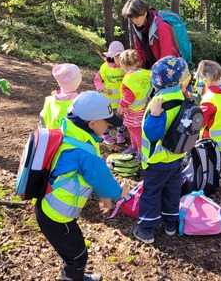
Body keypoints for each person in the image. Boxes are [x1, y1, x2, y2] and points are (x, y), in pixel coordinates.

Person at [35, 91, 129, 281]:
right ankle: (73, 278)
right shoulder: (85, 154)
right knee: (77, 256)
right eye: (106, 121)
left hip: (47, 203)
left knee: (71, 251)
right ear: (92, 123)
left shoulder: (67, 131)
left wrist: (102, 195)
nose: (109, 125)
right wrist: (119, 192)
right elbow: (104, 182)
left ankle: (72, 276)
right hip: (57, 215)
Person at [133, 56, 188, 244]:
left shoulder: (161, 102)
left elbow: (153, 133)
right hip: (176, 157)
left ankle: (146, 230)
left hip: (157, 160)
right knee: (172, 192)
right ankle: (170, 224)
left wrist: (155, 115)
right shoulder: (181, 96)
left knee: (152, 193)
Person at [196, 60, 221, 165]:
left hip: (211, 142)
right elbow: (220, 95)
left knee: (210, 167)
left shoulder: (209, 99)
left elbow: (200, 122)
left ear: (204, 79)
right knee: (219, 162)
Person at [121, 0, 179, 70]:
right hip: (151, 68)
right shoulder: (137, 28)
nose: (135, 21)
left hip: (168, 69)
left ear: (145, 12)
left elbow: (166, 56)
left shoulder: (161, 26)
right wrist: (139, 68)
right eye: (132, 18)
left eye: (137, 17)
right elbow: (139, 50)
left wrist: (152, 71)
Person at [116, 49, 152, 160]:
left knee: (135, 131)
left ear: (122, 65)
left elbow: (129, 97)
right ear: (137, 62)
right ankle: (134, 146)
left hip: (133, 111)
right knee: (134, 130)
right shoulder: (143, 74)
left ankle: (141, 151)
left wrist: (121, 105)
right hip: (142, 108)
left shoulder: (129, 79)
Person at [94, 41, 126, 145]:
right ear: (112, 56)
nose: (119, 59)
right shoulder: (104, 67)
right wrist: (103, 89)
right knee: (106, 119)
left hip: (121, 102)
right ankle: (105, 134)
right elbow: (97, 80)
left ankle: (120, 133)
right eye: (117, 57)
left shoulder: (124, 67)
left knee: (122, 119)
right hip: (108, 102)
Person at [40, 63, 82, 129]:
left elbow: (43, 120)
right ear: (78, 80)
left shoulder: (50, 100)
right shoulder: (82, 101)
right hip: (73, 138)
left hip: (53, 137)